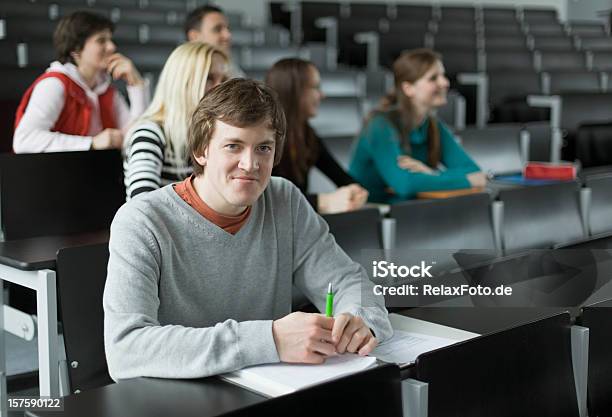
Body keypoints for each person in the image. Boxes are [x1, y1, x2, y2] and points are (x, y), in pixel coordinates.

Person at [103, 79, 392, 380]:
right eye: (233, 146)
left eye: (263, 148)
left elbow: (349, 281)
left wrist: (360, 320)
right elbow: (126, 350)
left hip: (276, 395)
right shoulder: (141, 221)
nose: (250, 164)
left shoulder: (285, 200)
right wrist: (271, 340)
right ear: (201, 151)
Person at [349, 49, 486, 202]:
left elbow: (473, 170)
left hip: (412, 211)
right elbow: (405, 184)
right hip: (373, 214)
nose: (445, 83)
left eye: (443, 76)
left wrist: (432, 174)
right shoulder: (379, 125)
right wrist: (466, 180)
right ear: (408, 88)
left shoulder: (433, 125)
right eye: (433, 78)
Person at [13, 11, 149, 153]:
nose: (112, 47)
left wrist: (137, 86)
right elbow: (24, 141)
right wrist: (92, 143)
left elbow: (137, 139)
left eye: (110, 40)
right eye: (101, 41)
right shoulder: (54, 84)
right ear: (75, 49)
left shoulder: (106, 91)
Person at [123, 42, 227, 199]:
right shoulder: (149, 133)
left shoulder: (215, 134)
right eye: (209, 78)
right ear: (182, 82)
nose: (221, 88)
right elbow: (141, 208)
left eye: (224, 79)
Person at [265, 58, 368, 214]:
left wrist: (355, 191)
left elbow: (342, 178)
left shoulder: (306, 134)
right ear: (295, 91)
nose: (322, 95)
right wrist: (323, 202)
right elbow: (268, 201)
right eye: (315, 87)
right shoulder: (264, 139)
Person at [184, 5, 246, 79]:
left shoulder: (232, 69)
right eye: (217, 29)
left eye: (228, 28)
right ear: (194, 37)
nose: (228, 35)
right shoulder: (182, 73)